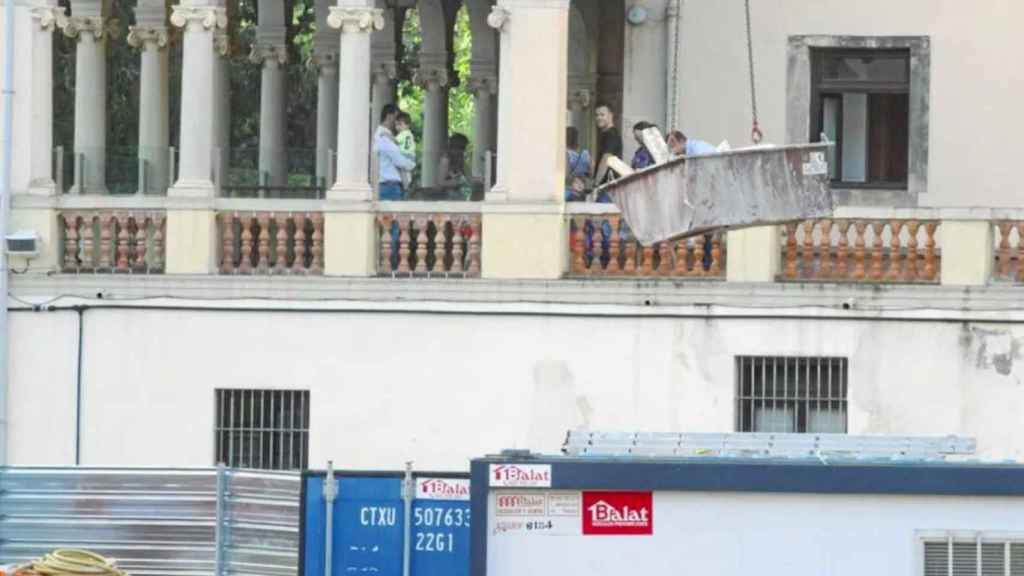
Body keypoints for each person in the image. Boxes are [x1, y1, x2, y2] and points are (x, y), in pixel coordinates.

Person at [375, 104, 415, 201]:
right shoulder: (384, 136)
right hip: (389, 187)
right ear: (389, 116)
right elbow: (400, 161)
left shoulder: (386, 135)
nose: (398, 122)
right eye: (397, 118)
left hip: (389, 186)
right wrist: (411, 164)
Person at [592, 103, 623, 199]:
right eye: (596, 115)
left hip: (607, 188)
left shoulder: (611, 135)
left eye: (602, 115)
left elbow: (606, 159)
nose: (598, 118)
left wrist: (596, 185)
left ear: (611, 115)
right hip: (607, 187)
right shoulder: (606, 134)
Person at [438, 133, 473, 201]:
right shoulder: (445, 160)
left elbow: (469, 177)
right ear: (455, 146)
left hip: (459, 195)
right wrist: (458, 182)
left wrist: (478, 180)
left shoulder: (460, 159)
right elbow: (440, 182)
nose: (464, 150)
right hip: (446, 196)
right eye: (462, 148)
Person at [565, 126, 591, 201]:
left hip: (570, 193)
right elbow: (592, 173)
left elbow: (566, 176)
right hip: (581, 193)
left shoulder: (566, 154)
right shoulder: (585, 154)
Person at [394, 112, 416, 190]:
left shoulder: (402, 134)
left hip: (404, 157)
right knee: (407, 174)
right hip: (411, 158)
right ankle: (408, 186)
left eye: (400, 124)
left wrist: (387, 136)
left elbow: (395, 141)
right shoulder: (410, 134)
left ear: (407, 125)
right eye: (396, 125)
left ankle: (406, 188)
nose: (398, 127)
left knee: (400, 170)